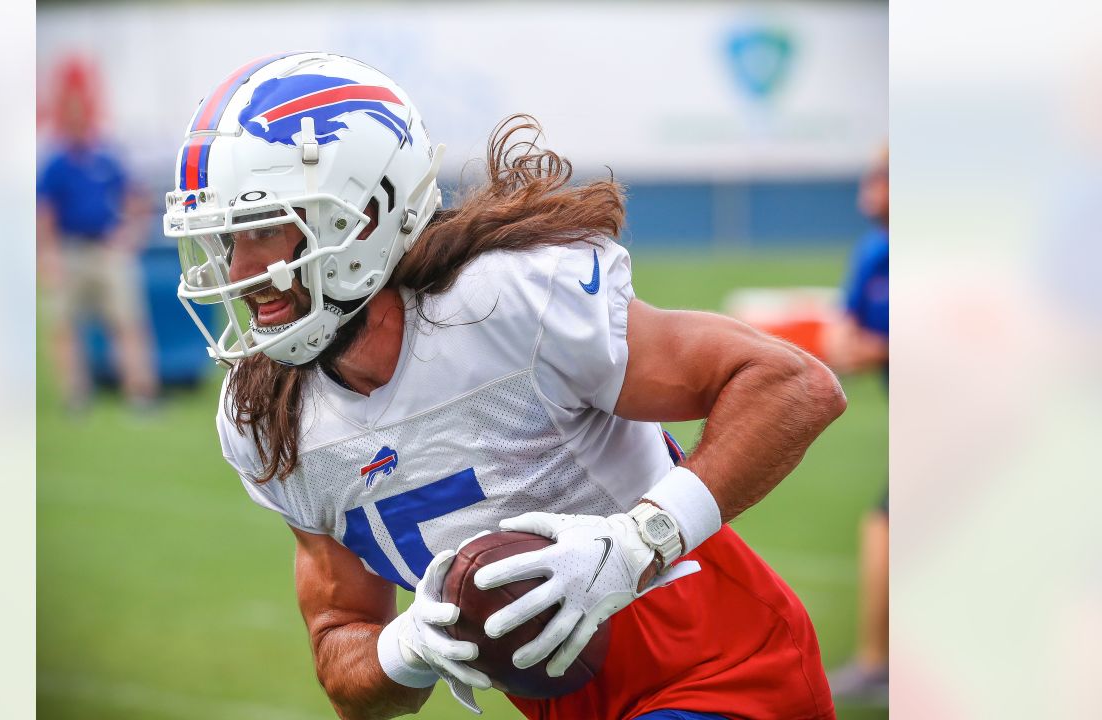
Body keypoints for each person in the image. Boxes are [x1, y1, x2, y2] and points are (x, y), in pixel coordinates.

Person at [166, 52, 846, 719]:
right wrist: (408, 646)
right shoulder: (268, 415)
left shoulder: (508, 302)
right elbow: (344, 655)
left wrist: (638, 544)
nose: (240, 269)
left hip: (727, 671)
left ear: (363, 218)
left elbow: (792, 385)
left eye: (259, 229)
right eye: (226, 240)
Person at [38, 57, 158, 412]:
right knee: (64, 325)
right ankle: (76, 397)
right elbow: (44, 214)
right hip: (70, 250)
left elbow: (136, 198)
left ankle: (140, 394)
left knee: (128, 322)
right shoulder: (56, 162)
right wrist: (47, 256)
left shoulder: (106, 156)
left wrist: (129, 235)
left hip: (106, 249)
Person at [823, 146, 890, 704]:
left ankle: (877, 666)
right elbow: (841, 343)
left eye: (884, 175)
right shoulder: (872, 253)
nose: (870, 185)